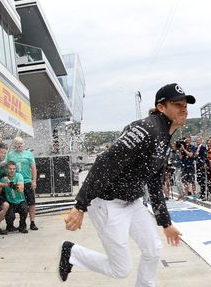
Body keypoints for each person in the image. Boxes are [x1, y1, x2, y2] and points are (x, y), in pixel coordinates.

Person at [60, 83, 189, 284]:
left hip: (133, 201)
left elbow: (154, 185)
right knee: (120, 269)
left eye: (185, 104)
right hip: (107, 202)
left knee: (153, 250)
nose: (184, 108)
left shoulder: (165, 139)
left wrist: (165, 223)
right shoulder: (146, 128)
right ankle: (72, 253)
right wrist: (80, 206)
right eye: (177, 104)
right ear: (161, 107)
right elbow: (105, 162)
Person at [7, 136, 38, 230]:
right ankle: (17, 224)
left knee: (31, 203)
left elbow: (33, 168)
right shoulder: (10, 155)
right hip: (15, 182)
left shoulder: (28, 154)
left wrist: (34, 181)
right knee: (19, 203)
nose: (19, 145)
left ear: (23, 144)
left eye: (21, 143)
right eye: (17, 143)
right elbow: (7, 167)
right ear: (14, 145)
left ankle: (32, 223)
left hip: (27, 181)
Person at [3, 161, 29, 234]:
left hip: (20, 200)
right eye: (10, 169)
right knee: (10, 216)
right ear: (7, 169)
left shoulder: (19, 176)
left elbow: (20, 189)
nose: (12, 170)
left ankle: (22, 226)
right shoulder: (4, 178)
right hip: (10, 201)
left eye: (14, 169)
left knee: (24, 209)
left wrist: (10, 184)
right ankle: (10, 226)